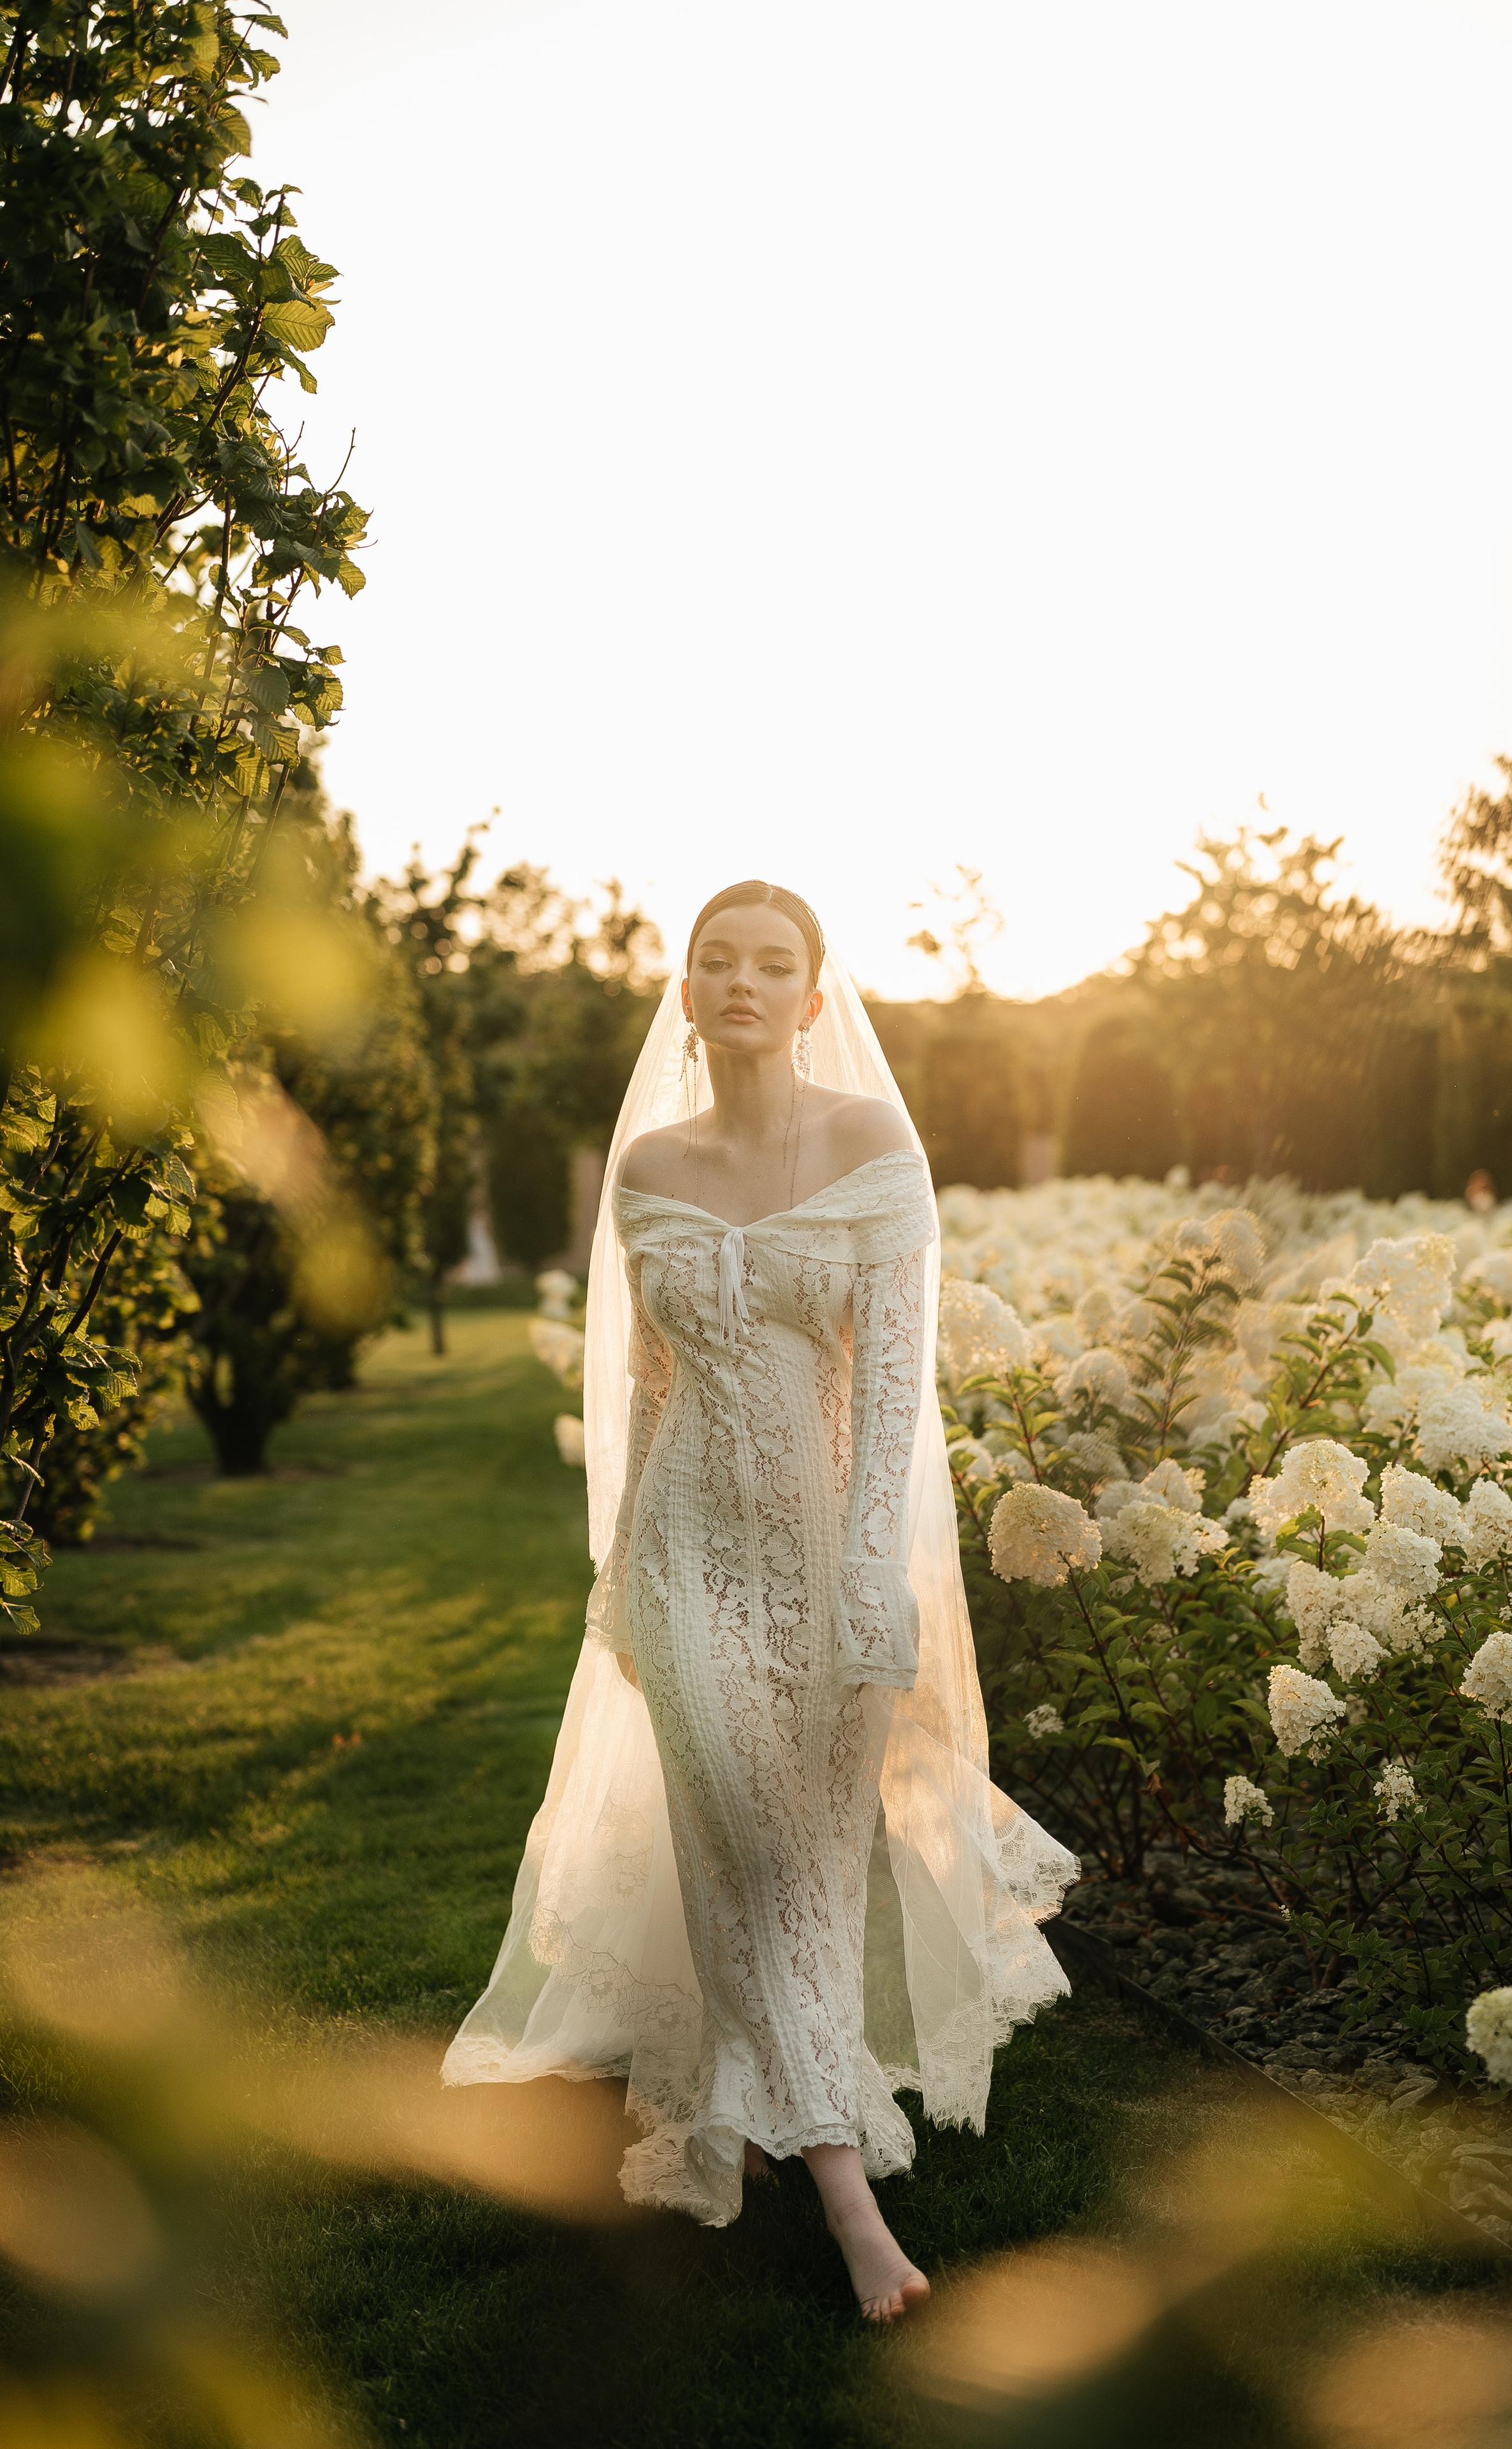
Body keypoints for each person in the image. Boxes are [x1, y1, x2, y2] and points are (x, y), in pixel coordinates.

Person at [444, 880, 1076, 2322]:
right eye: (712, 960)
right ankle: (853, 2208)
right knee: (737, 1837)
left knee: (789, 1873)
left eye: (769, 962)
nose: (739, 980)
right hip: (681, 1563)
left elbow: (892, 1385)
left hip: (825, 1569)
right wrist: (626, 1570)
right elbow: (647, 1387)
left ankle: (761, 2107)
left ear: (809, 995)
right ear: (683, 994)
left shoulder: (870, 1145)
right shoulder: (649, 1166)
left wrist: (870, 1578)